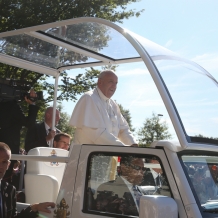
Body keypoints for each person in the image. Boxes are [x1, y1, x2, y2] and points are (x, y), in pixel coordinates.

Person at [69, 70, 138, 147]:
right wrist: (123, 148)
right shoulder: (89, 98)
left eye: (116, 83)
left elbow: (123, 129)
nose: (114, 86)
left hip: (107, 155)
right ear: (100, 82)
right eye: (111, 82)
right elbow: (97, 133)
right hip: (85, 156)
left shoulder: (113, 104)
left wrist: (133, 144)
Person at [0, 142, 55, 217]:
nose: (0, 166)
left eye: (4, 162)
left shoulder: (9, 190)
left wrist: (34, 208)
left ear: (8, 165)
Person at [0, 89, 39, 183]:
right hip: (8, 150)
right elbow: (29, 123)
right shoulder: (11, 106)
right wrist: (31, 104)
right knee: (5, 182)